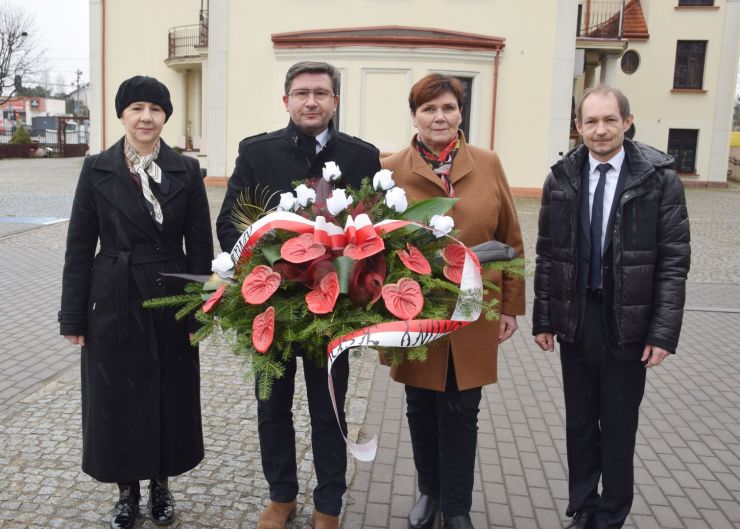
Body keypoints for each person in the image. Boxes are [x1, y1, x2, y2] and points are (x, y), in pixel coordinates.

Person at [216, 61, 381, 529]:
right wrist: (263, 270)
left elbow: (376, 228)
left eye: (321, 93)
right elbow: (229, 222)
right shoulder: (257, 152)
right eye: (302, 92)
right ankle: (281, 495)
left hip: (333, 309)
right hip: (272, 306)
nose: (312, 101)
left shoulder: (361, 157)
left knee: (329, 406)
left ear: (335, 101)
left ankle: (328, 503)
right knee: (272, 404)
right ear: (285, 99)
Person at [532, 86, 690, 529]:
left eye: (609, 120)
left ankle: (612, 513)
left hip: (628, 323)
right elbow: (548, 253)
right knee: (580, 424)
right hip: (576, 320)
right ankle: (583, 505)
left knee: (618, 427)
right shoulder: (560, 177)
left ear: (627, 120)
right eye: (591, 122)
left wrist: (662, 332)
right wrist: (545, 317)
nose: (600, 130)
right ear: (578, 126)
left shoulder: (659, 179)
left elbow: (674, 261)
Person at [59, 76, 213, 529]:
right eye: (136, 108)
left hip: (170, 294)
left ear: (165, 116)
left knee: (168, 392)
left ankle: (161, 483)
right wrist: (73, 313)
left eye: (155, 109)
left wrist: (199, 310)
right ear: (122, 114)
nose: (146, 117)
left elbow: (201, 248)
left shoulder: (186, 170)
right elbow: (79, 245)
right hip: (113, 297)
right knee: (115, 397)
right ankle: (126, 489)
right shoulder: (97, 169)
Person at [381, 73, 525, 529]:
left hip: (475, 310)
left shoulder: (487, 162)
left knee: (463, 411)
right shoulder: (391, 168)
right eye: (429, 109)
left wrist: (512, 308)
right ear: (414, 116)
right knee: (421, 406)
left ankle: (457, 506)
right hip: (415, 309)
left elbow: (512, 238)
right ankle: (429, 491)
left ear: (461, 113)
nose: (439, 117)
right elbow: (372, 246)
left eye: (447, 107)